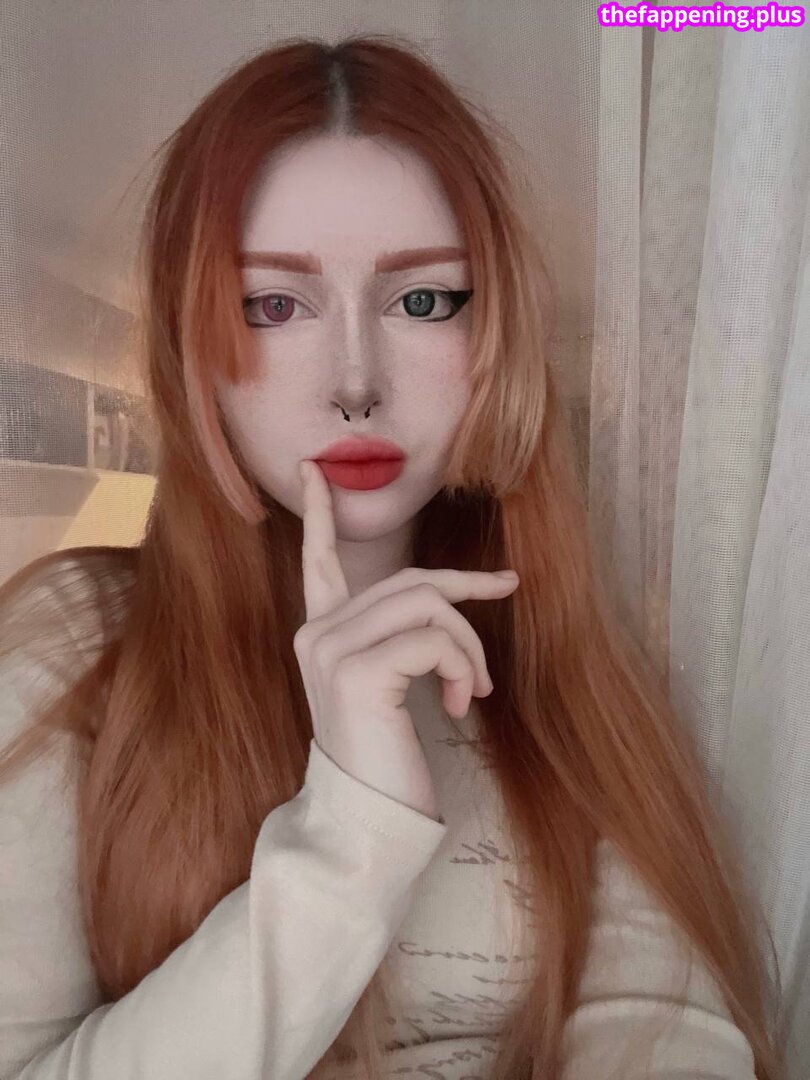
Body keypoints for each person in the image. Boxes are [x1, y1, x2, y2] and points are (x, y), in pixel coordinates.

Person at [0, 33, 787, 1080]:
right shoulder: (76, 640)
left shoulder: (562, 650)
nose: (356, 384)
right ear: (193, 349)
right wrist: (349, 832)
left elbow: (662, 1031)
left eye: (423, 301)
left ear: (494, 329)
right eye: (273, 306)